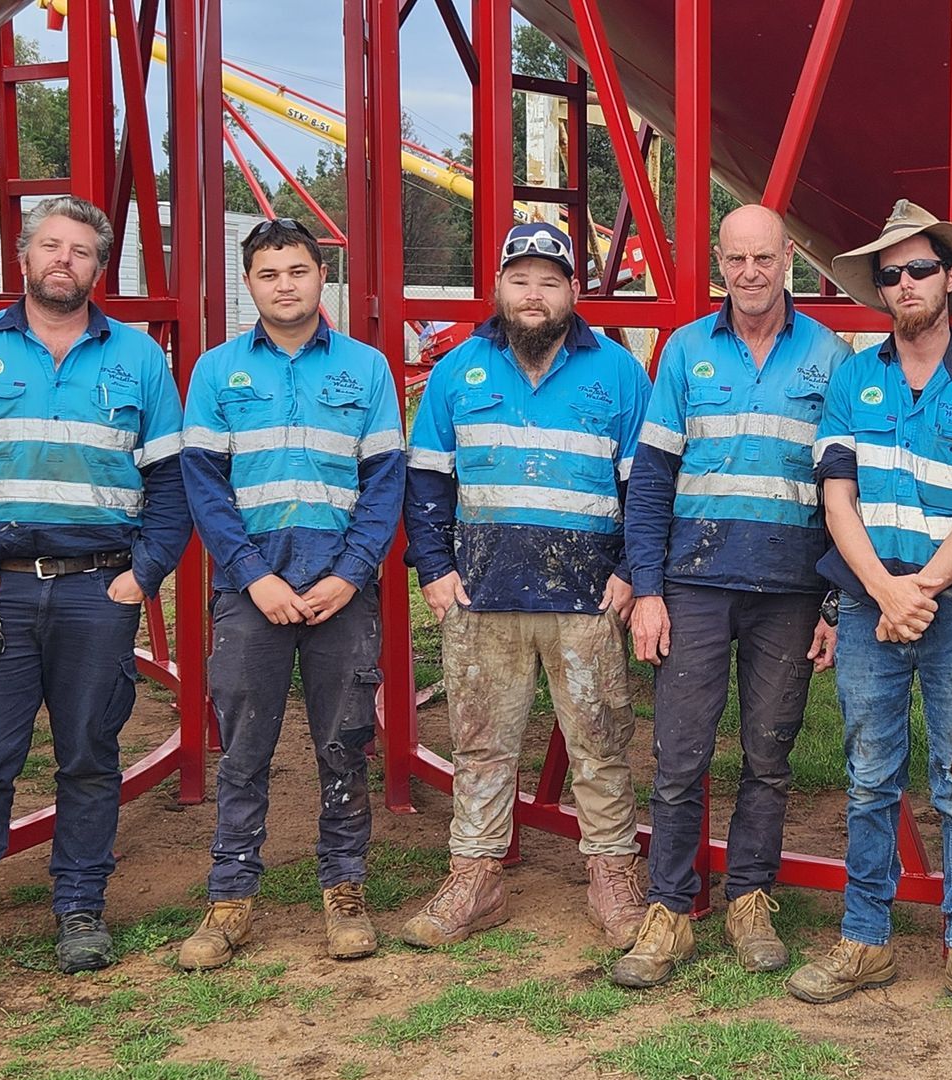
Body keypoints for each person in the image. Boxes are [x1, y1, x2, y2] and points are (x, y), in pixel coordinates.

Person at [0, 196, 190, 997]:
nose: (65, 260)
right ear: (23, 257)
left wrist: (141, 575)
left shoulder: (137, 358)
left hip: (97, 590)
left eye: (81, 250)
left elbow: (170, 481)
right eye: (50, 246)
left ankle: (81, 912)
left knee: (90, 758)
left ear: (99, 267)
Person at [782, 199, 952, 1017]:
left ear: (950, 279)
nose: (905, 283)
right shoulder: (854, 377)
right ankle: (865, 937)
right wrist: (883, 592)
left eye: (920, 268)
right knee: (867, 777)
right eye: (890, 274)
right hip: (868, 608)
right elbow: (837, 499)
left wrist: (916, 591)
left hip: (950, 608)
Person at [611, 205, 849, 988]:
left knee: (768, 756)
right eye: (735, 260)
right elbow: (649, 482)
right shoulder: (684, 352)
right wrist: (648, 589)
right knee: (678, 756)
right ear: (719, 261)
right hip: (696, 586)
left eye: (763, 258)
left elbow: (847, 490)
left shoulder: (832, 355)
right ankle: (671, 909)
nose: (749, 274)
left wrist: (832, 605)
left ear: (789, 256)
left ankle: (750, 896)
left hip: (790, 589)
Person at [400, 222, 652, 951]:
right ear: (500, 289)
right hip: (483, 597)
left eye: (550, 280)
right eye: (521, 280)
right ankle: (475, 876)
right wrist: (436, 569)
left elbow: (644, 486)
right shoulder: (458, 372)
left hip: (588, 602)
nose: (534, 295)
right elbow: (425, 483)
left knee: (601, 742)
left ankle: (612, 875)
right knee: (480, 744)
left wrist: (631, 571)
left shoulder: (617, 372)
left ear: (573, 289)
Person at [175, 219, 405, 970]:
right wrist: (254, 576)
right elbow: (203, 487)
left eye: (299, 270)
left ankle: (344, 890)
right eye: (270, 273)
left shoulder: (367, 370)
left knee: (344, 742)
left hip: (344, 588)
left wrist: (349, 573)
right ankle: (231, 895)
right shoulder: (216, 372)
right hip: (253, 591)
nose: (285, 284)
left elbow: (385, 485)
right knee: (243, 747)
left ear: (321, 276)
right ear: (249, 283)